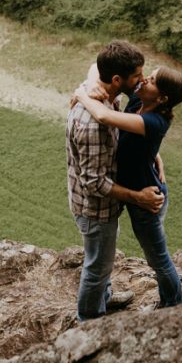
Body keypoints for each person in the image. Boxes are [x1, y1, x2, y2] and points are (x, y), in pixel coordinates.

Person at [74, 64, 182, 309]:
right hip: (138, 192)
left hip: (146, 200)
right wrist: (93, 84)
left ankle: (174, 304)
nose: (145, 79)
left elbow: (104, 116)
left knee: (157, 259)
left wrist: (82, 94)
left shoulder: (154, 121)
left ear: (162, 98)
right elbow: (97, 66)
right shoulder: (139, 99)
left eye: (153, 79)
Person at [66, 41, 164, 322]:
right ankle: (90, 319)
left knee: (104, 258)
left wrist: (86, 85)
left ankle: (104, 296)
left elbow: (94, 68)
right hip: (94, 208)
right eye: (137, 76)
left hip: (104, 206)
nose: (142, 80)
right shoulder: (93, 125)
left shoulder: (107, 91)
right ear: (118, 80)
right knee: (97, 265)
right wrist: (139, 196)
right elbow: (94, 183)